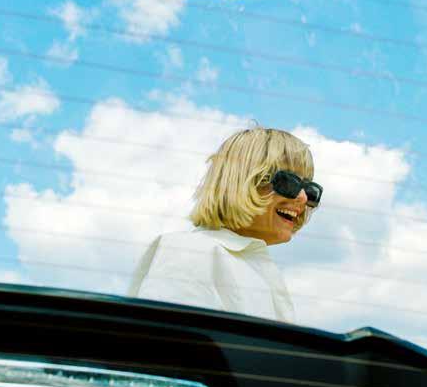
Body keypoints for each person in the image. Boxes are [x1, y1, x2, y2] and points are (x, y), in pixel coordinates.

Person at [128, 127, 322, 322]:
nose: (304, 198)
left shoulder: (264, 272)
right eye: (289, 183)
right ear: (244, 181)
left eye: (309, 189)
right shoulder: (190, 251)